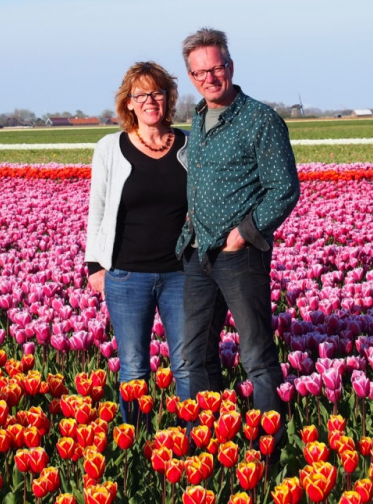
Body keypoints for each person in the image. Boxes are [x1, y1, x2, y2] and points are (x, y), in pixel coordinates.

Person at [176, 28, 300, 443]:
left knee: (256, 355)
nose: (209, 78)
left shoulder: (259, 119)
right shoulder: (197, 116)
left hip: (237, 255)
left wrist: (242, 235)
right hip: (196, 253)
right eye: (199, 72)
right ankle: (206, 442)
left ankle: (270, 448)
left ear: (230, 66)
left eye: (216, 68)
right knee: (195, 355)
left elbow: (284, 188)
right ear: (191, 76)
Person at [85, 61, 190, 425]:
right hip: (127, 275)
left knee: (186, 365)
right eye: (140, 94)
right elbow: (97, 207)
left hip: (181, 273)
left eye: (157, 92)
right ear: (128, 103)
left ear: (168, 97)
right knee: (132, 366)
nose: (150, 101)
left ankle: (195, 440)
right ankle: (136, 442)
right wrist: (95, 265)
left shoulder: (190, 144)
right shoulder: (110, 148)